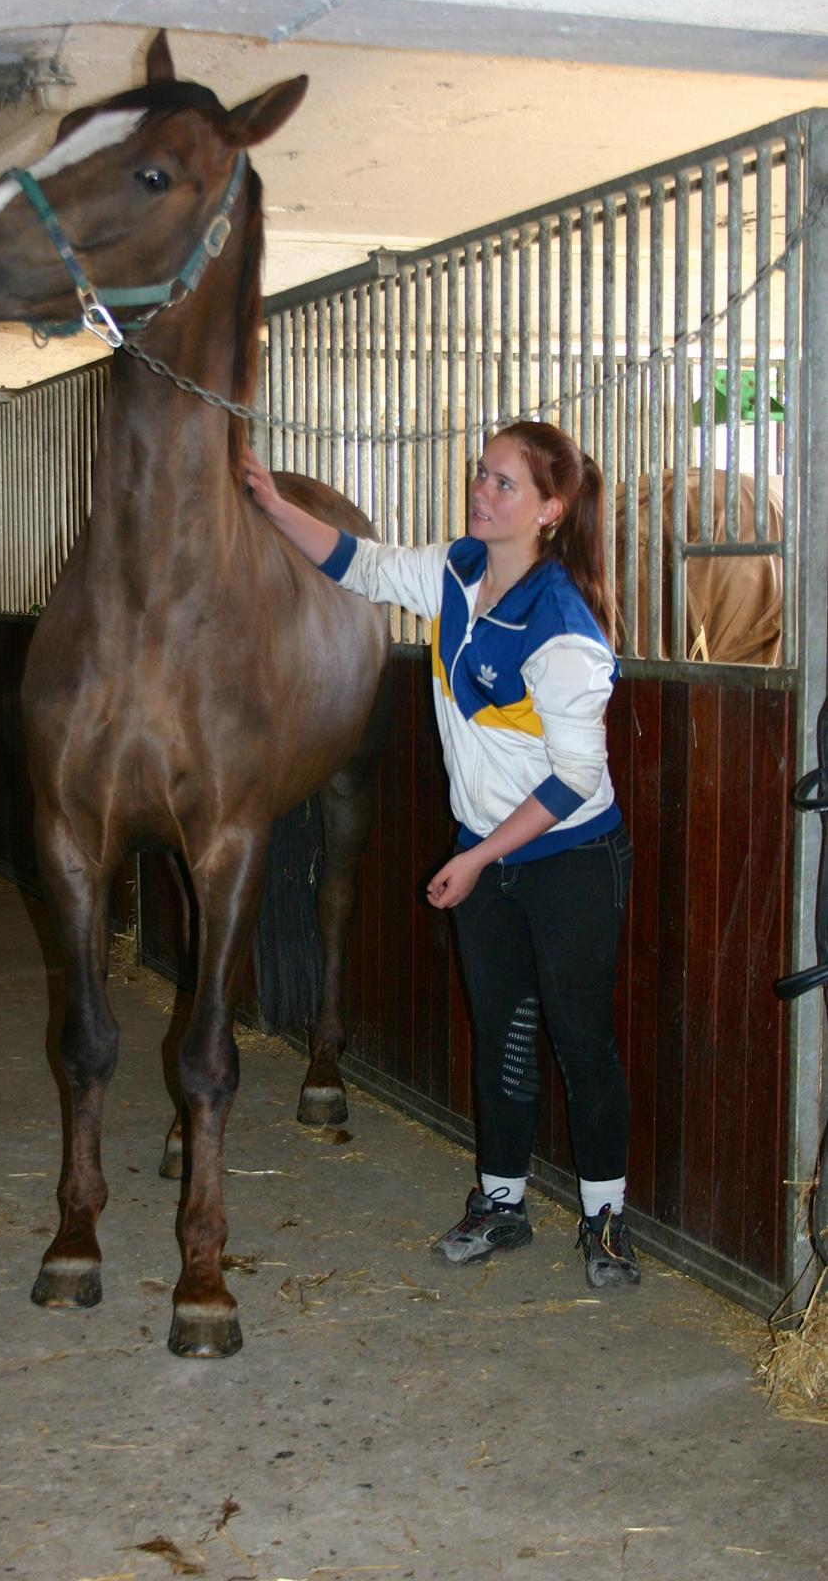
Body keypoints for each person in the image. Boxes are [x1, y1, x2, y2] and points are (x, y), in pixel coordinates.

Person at [243, 421, 639, 1290]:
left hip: (569, 856)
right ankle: (501, 1205)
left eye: (502, 484)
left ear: (548, 510)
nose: (480, 491)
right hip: (488, 855)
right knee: (500, 1032)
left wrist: (477, 857)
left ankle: (605, 1219)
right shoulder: (459, 570)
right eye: (480, 475)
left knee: (577, 1038)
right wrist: (272, 504)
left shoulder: (565, 629)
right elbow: (364, 565)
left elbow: (576, 780)